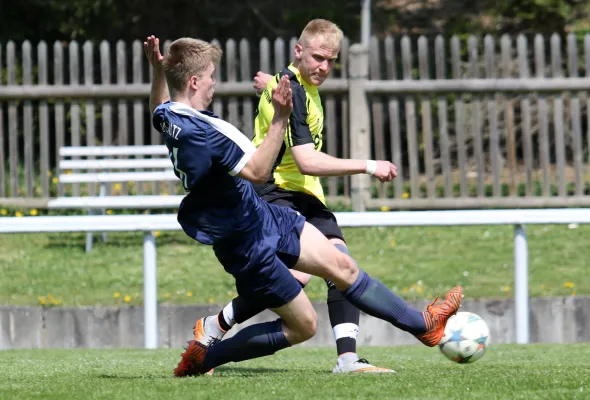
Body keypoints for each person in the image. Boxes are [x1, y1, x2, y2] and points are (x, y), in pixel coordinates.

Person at [144, 34, 462, 378]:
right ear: (193, 82)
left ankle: (424, 325)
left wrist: (157, 70)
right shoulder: (209, 131)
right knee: (303, 327)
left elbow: (160, 104)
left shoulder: (171, 115)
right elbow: (258, 172)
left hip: (262, 215)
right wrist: (281, 115)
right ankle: (204, 358)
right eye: (210, 77)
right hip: (246, 243)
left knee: (342, 266)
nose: (214, 84)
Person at [194, 19, 408, 374]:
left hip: (305, 196)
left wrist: (270, 82)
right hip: (278, 195)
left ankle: (345, 358)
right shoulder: (291, 89)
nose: (324, 67)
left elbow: (285, 89)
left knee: (333, 267)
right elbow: (307, 161)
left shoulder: (297, 84)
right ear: (299, 50)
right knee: (322, 272)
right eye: (318, 57)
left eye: (331, 60)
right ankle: (345, 358)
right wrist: (369, 166)